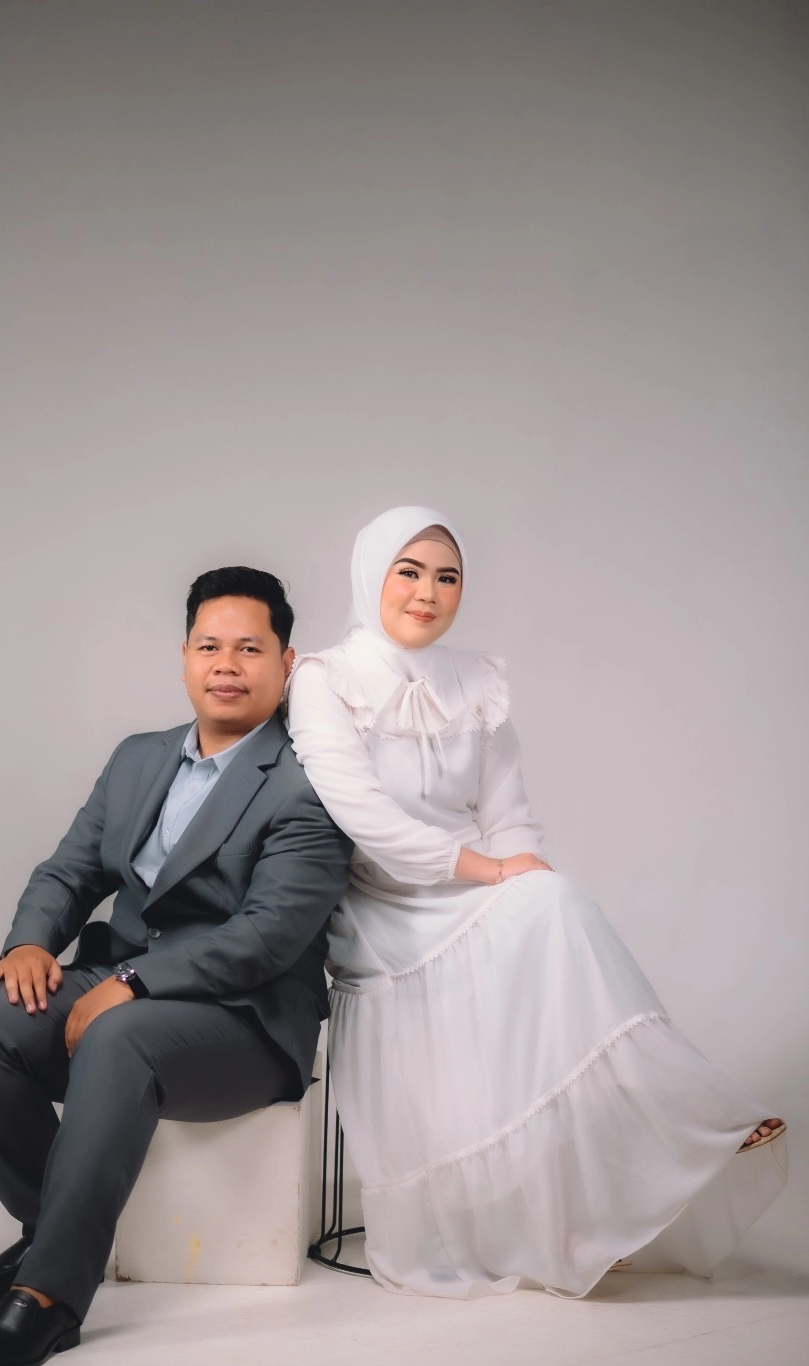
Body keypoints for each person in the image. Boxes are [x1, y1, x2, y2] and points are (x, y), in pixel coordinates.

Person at [286, 506, 787, 1298]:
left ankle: (633, 1174)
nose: (427, 593)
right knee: (543, 911)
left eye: (447, 577)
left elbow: (508, 810)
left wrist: (523, 871)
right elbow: (364, 818)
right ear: (371, 575)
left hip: (474, 887)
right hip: (385, 908)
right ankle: (666, 1134)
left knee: (554, 906)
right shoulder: (324, 678)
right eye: (408, 572)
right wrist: (492, 872)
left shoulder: (476, 682)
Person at [0, 566, 352, 1366]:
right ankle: (45, 1233)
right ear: (184, 656)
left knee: (119, 1037)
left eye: (249, 649)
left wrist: (133, 984)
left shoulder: (309, 781)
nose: (226, 664)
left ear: (287, 662)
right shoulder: (138, 759)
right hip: (123, 982)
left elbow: (269, 935)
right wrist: (29, 943)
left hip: (246, 1018)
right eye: (208, 646)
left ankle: (49, 1297)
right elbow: (69, 870)